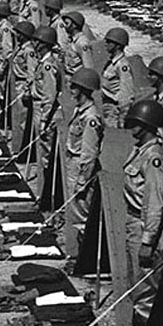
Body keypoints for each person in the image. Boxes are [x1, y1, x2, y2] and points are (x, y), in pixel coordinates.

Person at [122, 99, 163, 326]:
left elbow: (154, 203)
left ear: (146, 124)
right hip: (134, 225)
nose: (131, 126)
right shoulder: (139, 151)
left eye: (136, 122)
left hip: (144, 228)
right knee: (137, 289)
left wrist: (147, 242)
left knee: (145, 295)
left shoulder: (153, 158)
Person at [64, 68, 104, 257]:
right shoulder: (81, 111)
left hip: (81, 168)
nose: (71, 89)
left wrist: (82, 180)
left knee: (80, 215)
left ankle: (80, 256)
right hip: (73, 163)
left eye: (74, 86)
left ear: (82, 89)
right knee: (73, 211)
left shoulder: (90, 118)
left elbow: (89, 154)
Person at [27, 25, 65, 197]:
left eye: (36, 40)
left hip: (44, 111)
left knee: (45, 154)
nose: (33, 43)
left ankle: (45, 194)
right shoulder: (43, 63)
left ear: (43, 44)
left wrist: (43, 120)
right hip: (39, 107)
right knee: (41, 151)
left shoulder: (48, 66)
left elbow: (49, 96)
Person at [100, 26, 136, 127]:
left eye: (109, 42)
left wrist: (123, 117)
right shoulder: (111, 62)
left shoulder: (122, 65)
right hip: (107, 106)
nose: (105, 44)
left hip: (114, 109)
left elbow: (127, 92)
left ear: (118, 46)